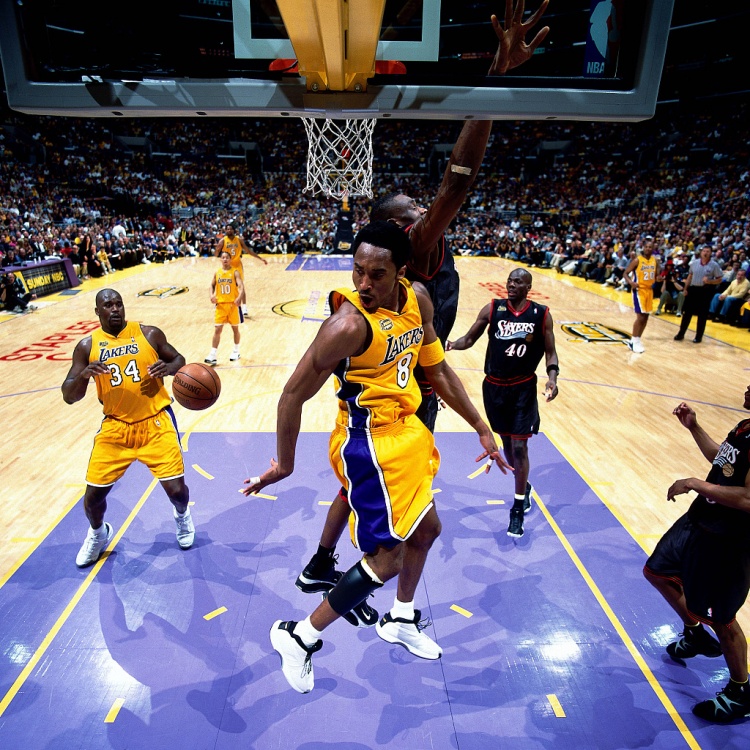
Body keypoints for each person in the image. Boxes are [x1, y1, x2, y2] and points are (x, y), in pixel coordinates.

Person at [293, 0, 550, 620]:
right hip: (401, 393)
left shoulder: (412, 281)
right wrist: (496, 80)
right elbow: (458, 181)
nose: (426, 215)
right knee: (402, 512)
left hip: (398, 375)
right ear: (401, 230)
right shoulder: (418, 251)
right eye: (415, 213)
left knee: (364, 485)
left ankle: (322, 561)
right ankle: (362, 599)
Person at [244, 222, 511, 693]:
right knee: (386, 560)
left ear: (401, 272)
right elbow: (291, 395)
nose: (363, 283)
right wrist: (284, 464)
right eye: (357, 271)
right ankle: (300, 637)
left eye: (377, 274)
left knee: (427, 530)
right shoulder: (347, 325)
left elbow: (437, 369)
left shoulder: (418, 301)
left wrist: (481, 426)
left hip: (406, 432)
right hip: (367, 445)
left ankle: (401, 619)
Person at [61, 289, 195, 567]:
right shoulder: (86, 346)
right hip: (116, 427)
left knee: (177, 492)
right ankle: (98, 534)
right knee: (92, 498)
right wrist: (84, 376)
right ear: (97, 312)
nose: (115, 309)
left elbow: (179, 359)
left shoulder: (149, 334)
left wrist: (168, 368)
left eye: (118, 304)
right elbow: (69, 396)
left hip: (155, 422)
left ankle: (182, 516)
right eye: (108, 305)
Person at [643, 388, 750, 723]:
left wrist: (694, 483)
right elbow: (724, 462)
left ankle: (741, 691)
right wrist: (694, 428)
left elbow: (748, 499)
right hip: (699, 521)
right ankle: (694, 635)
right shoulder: (746, 426)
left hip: (728, 541)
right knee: (657, 572)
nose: (746, 388)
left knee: (722, 619)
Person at [447, 268, 558, 538]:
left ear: (528, 287)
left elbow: (551, 352)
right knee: (507, 444)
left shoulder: (541, 314)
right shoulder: (492, 309)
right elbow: (468, 339)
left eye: (518, 282)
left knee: (519, 447)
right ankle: (524, 487)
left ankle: (517, 508)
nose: (511, 285)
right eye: (509, 280)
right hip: (494, 388)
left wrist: (552, 379)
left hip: (523, 388)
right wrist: (449, 345)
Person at [215, 223, 267, 317]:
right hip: (227, 266)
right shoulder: (223, 241)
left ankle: (244, 307)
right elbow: (216, 253)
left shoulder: (239, 240)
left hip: (237, 265)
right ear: (225, 231)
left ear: (234, 230)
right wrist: (217, 253)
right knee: (225, 285)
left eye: (230, 229)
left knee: (241, 286)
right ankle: (222, 303)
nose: (229, 230)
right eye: (227, 229)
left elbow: (248, 251)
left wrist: (260, 258)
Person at [674, 246, 724, 343]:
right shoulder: (694, 263)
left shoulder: (714, 265)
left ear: (711, 253)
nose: (705, 253)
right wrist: (685, 288)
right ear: (701, 252)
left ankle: (698, 336)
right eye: (704, 251)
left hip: (705, 291)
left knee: (702, 315)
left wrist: (710, 281)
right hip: (693, 289)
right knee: (687, 313)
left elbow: (719, 279)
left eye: (708, 251)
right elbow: (690, 276)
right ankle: (681, 333)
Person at [205, 250, 245, 365]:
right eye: (223, 257)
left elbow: (241, 286)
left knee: (235, 329)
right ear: (220, 259)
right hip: (220, 305)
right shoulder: (217, 272)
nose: (225, 259)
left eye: (227, 257)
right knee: (217, 329)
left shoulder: (235, 272)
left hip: (233, 305)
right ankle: (213, 354)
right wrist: (211, 295)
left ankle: (236, 351)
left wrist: (239, 297)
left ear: (230, 259)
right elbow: (211, 285)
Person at [624, 237, 661, 353]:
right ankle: (634, 341)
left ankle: (636, 340)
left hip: (649, 290)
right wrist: (631, 282)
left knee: (646, 317)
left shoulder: (655, 261)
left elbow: (657, 276)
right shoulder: (637, 260)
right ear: (643, 248)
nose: (648, 249)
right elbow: (625, 273)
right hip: (639, 290)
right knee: (640, 317)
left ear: (653, 248)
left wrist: (659, 278)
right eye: (646, 247)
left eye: (650, 247)